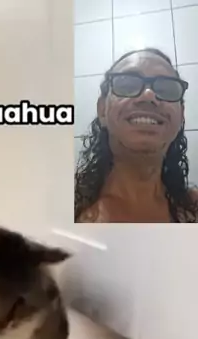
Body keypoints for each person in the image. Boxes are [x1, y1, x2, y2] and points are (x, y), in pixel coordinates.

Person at [75, 47, 198, 223]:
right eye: (127, 85)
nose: (149, 95)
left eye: (167, 89)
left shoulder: (193, 207)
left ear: (181, 116)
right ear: (102, 110)